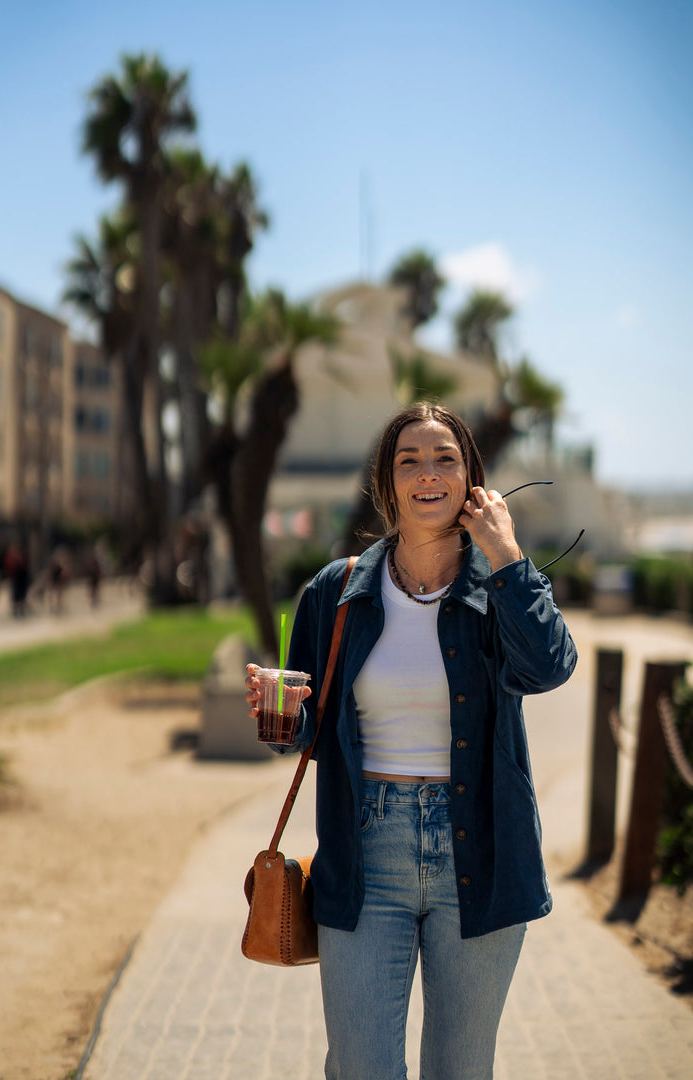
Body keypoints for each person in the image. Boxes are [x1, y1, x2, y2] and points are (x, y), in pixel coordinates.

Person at [245, 403, 577, 1080]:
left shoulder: (503, 587)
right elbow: (307, 727)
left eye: (445, 458)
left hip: (479, 854)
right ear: (387, 482)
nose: (428, 473)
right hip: (366, 853)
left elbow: (549, 667)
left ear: (472, 480)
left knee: (461, 1068)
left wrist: (508, 555)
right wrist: (281, 714)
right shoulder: (336, 591)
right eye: (409, 460)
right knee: (362, 1066)